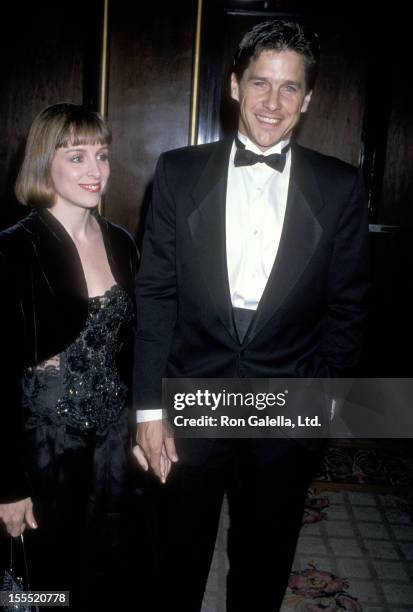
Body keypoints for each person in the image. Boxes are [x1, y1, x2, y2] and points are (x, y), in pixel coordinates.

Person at [133, 19, 369, 611]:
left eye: (290, 87)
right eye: (260, 83)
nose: (272, 101)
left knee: (264, 559)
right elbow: (155, 295)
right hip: (191, 396)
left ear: (308, 98)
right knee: (175, 556)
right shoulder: (177, 172)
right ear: (234, 85)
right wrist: (150, 409)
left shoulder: (340, 187)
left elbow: (349, 308)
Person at [0, 104, 138, 608]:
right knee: (47, 575)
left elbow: (133, 344)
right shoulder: (13, 250)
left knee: (106, 563)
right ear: (44, 163)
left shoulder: (121, 242)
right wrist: (8, 486)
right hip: (44, 443)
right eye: (76, 157)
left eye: (101, 156)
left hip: (113, 442)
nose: (95, 171)